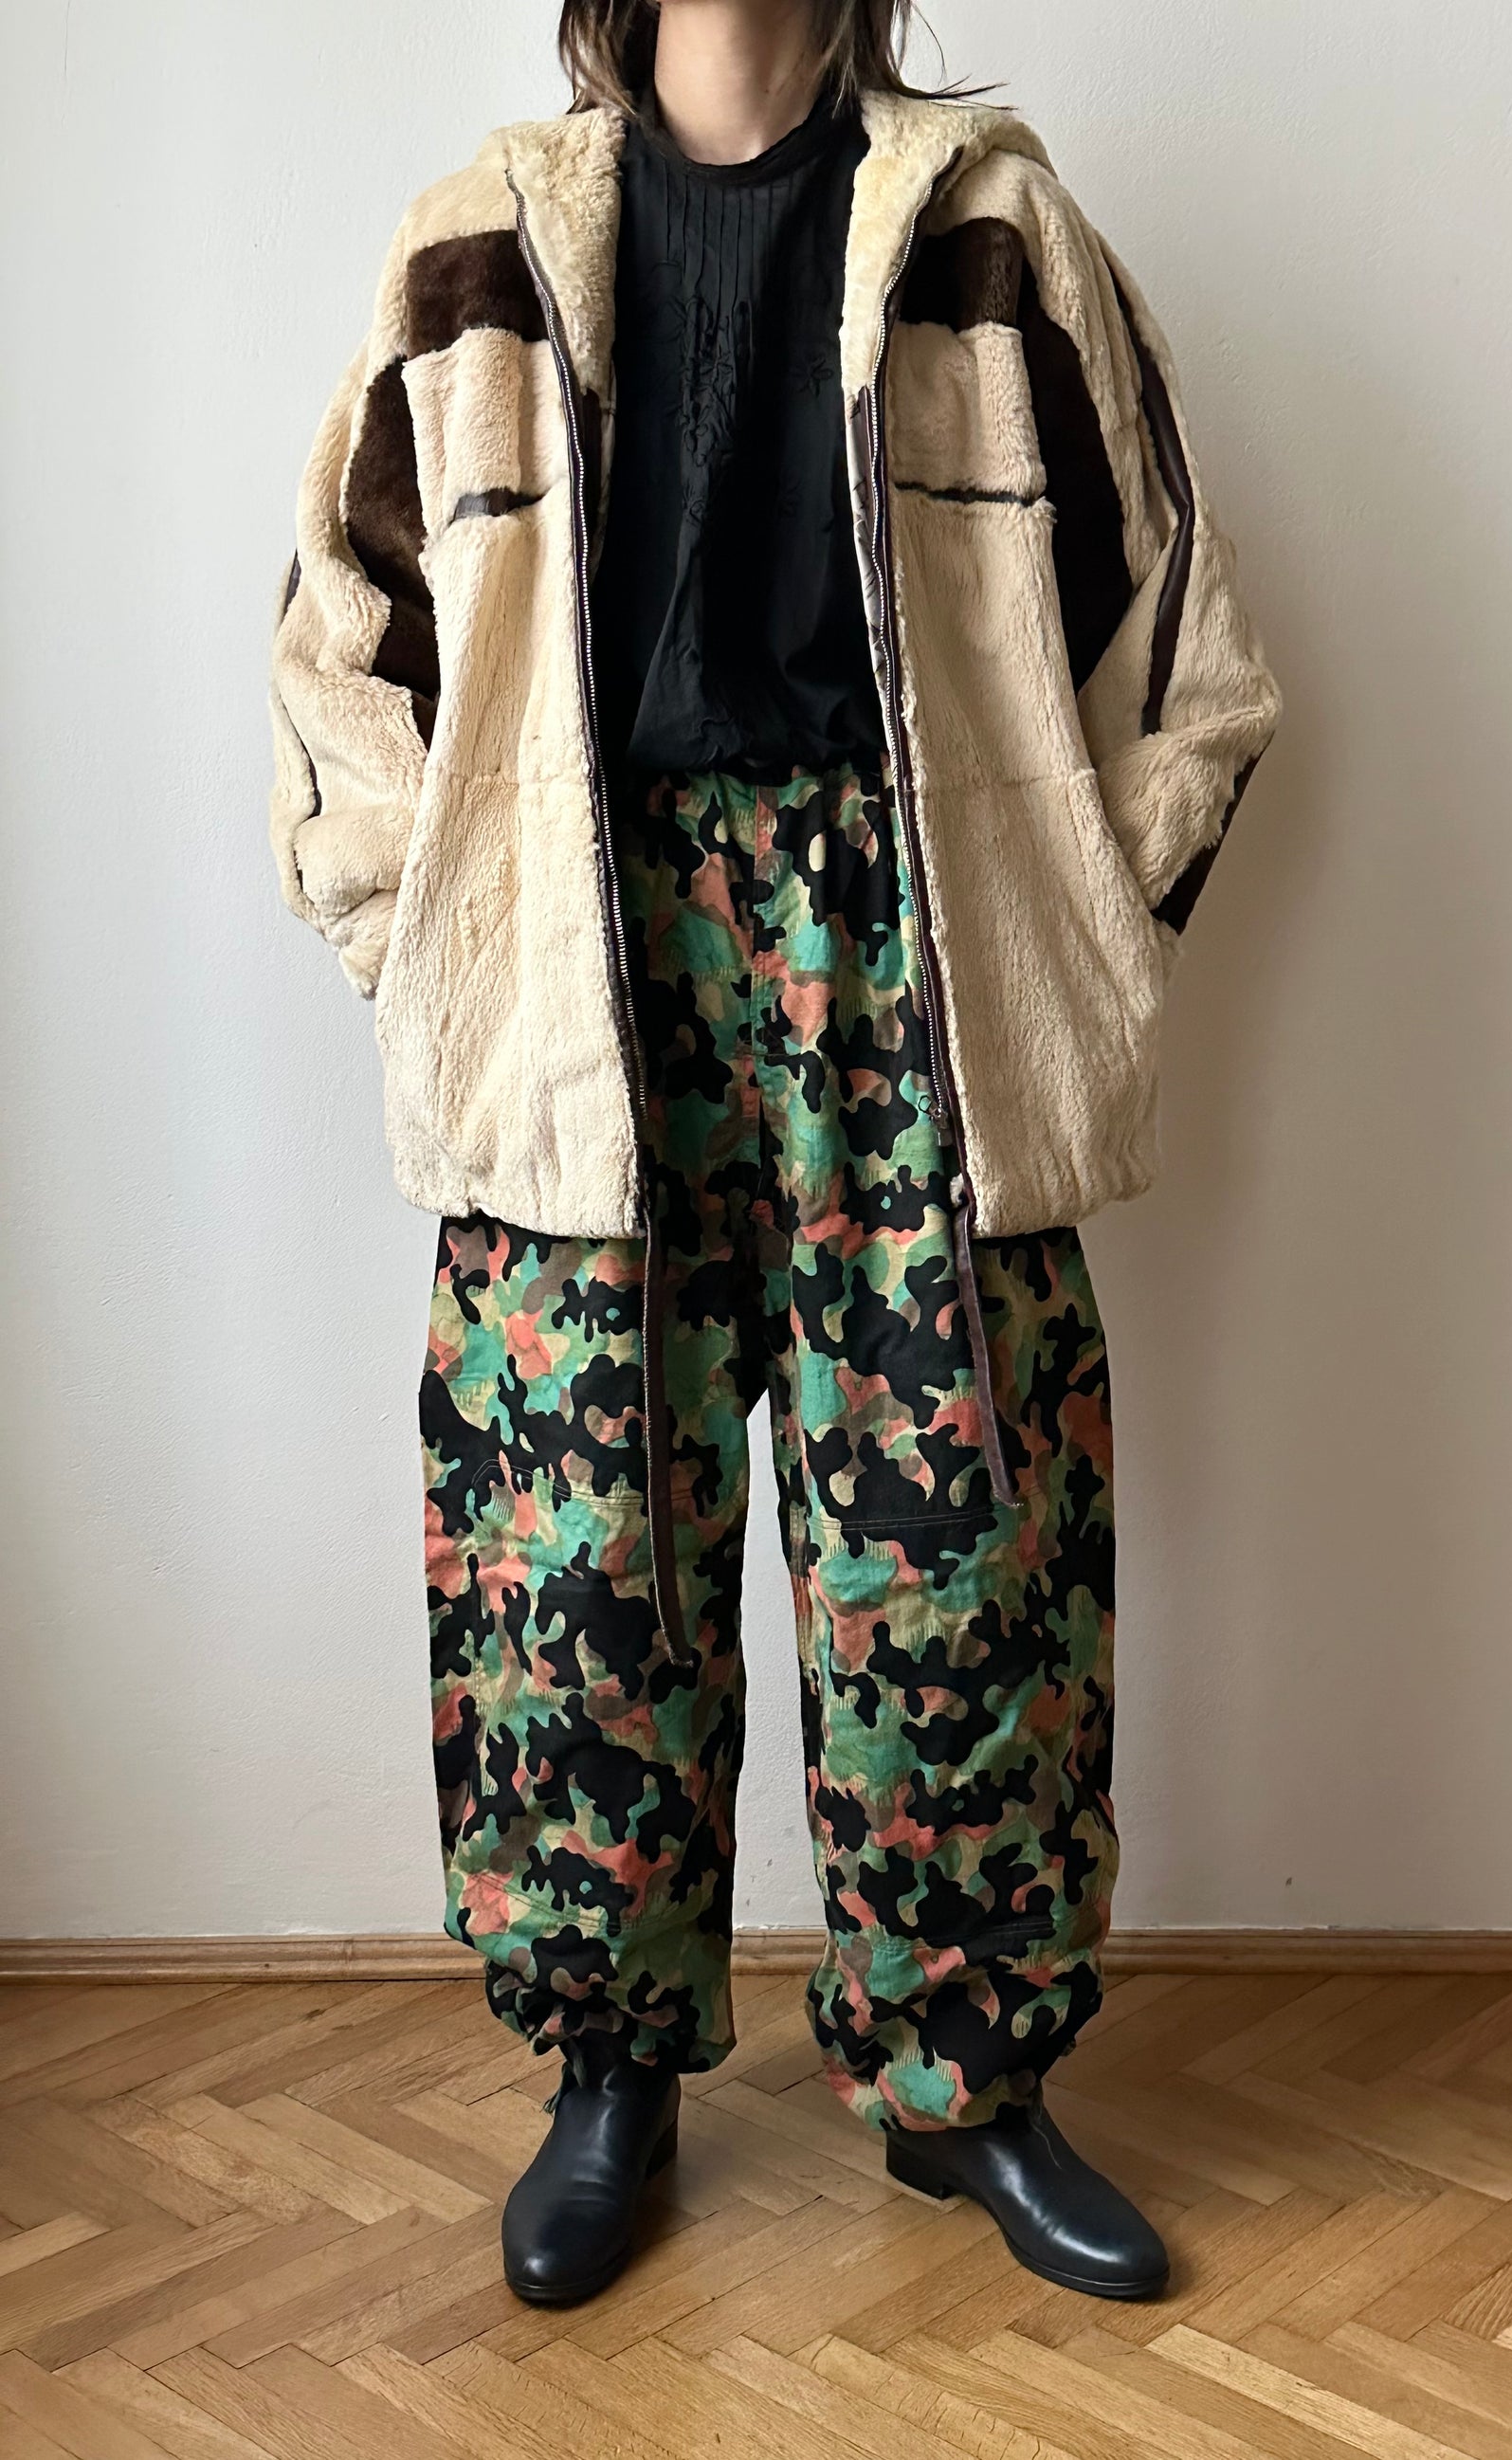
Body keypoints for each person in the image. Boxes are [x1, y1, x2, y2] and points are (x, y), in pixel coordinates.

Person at [269, 0, 1279, 2309]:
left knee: (963, 1552)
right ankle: (605, 2069)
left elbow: (1182, 653)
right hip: (579, 960)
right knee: (574, 1561)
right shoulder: (474, 247)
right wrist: (435, 945)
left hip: (914, 963)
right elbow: (340, 654)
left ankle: (968, 2081)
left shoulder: (993, 229)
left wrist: (1077, 932)